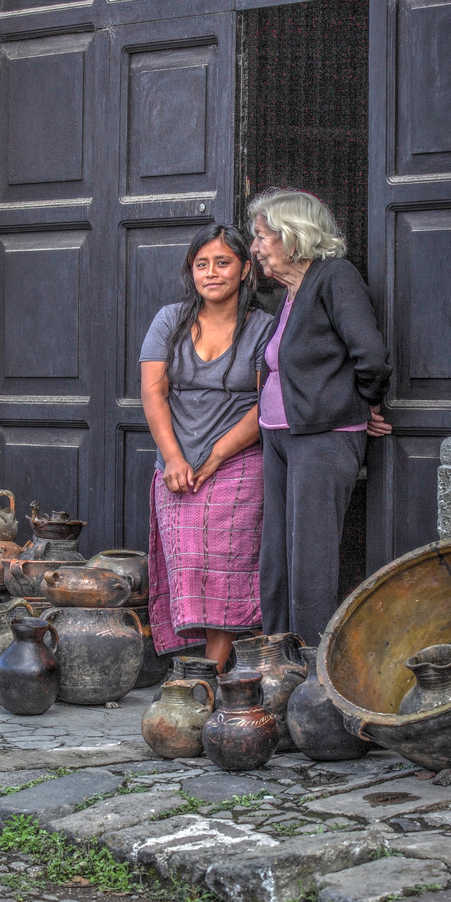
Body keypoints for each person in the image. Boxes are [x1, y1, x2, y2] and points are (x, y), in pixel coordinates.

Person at [249, 188, 393, 643]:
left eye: (261, 237)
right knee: (277, 553)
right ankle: (275, 655)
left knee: (310, 556)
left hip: (322, 436)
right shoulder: (288, 296)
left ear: (293, 236)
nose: (254, 247)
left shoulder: (335, 277)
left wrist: (362, 401)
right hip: (278, 435)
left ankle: (312, 666)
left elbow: (370, 354)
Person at [139, 223, 277, 668]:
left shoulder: (263, 327)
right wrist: (175, 458)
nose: (212, 273)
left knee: (228, 568)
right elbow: (153, 392)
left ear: (245, 270)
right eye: (202, 264)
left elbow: (266, 404)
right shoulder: (170, 320)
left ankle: (212, 672)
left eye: (223, 263)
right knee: (190, 563)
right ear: (191, 272)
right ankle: (196, 665)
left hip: (238, 460)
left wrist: (216, 455)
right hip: (177, 465)